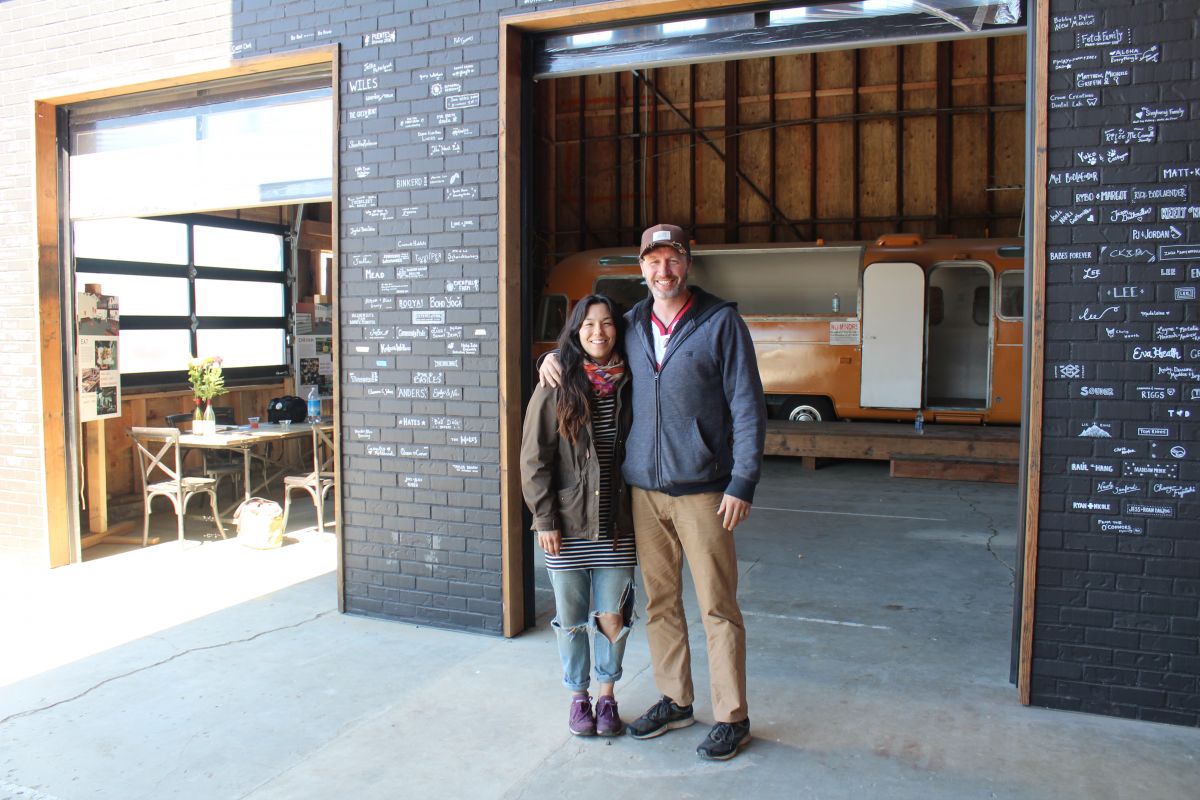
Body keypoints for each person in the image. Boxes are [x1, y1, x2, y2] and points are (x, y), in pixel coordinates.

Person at [540, 223, 766, 761]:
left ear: (687, 264)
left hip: (705, 491)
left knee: (717, 606)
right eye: (652, 262)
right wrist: (554, 358)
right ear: (640, 269)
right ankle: (676, 699)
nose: (662, 271)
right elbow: (587, 343)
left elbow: (747, 405)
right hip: (642, 492)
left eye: (672, 260)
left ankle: (733, 717)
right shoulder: (632, 323)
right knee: (662, 602)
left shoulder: (720, 322)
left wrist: (743, 479)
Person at [521, 294, 637, 737]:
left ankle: (607, 699)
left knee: (613, 617)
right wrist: (544, 519)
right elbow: (534, 459)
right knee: (571, 621)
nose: (599, 332)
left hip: (616, 524)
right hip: (566, 526)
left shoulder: (633, 378)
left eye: (607, 324)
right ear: (575, 330)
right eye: (588, 325)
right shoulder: (555, 383)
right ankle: (578, 698)